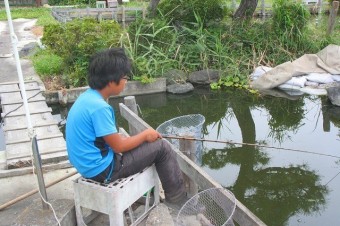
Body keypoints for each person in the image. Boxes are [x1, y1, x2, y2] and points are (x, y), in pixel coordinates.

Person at [66, 48, 186, 205]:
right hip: (103, 170)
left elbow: (102, 139)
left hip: (86, 166)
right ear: (111, 81)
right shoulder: (99, 107)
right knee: (162, 147)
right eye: (124, 78)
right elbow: (119, 147)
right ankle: (178, 202)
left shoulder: (87, 98)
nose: (126, 81)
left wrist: (123, 139)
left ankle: (157, 197)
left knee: (145, 144)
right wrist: (145, 135)